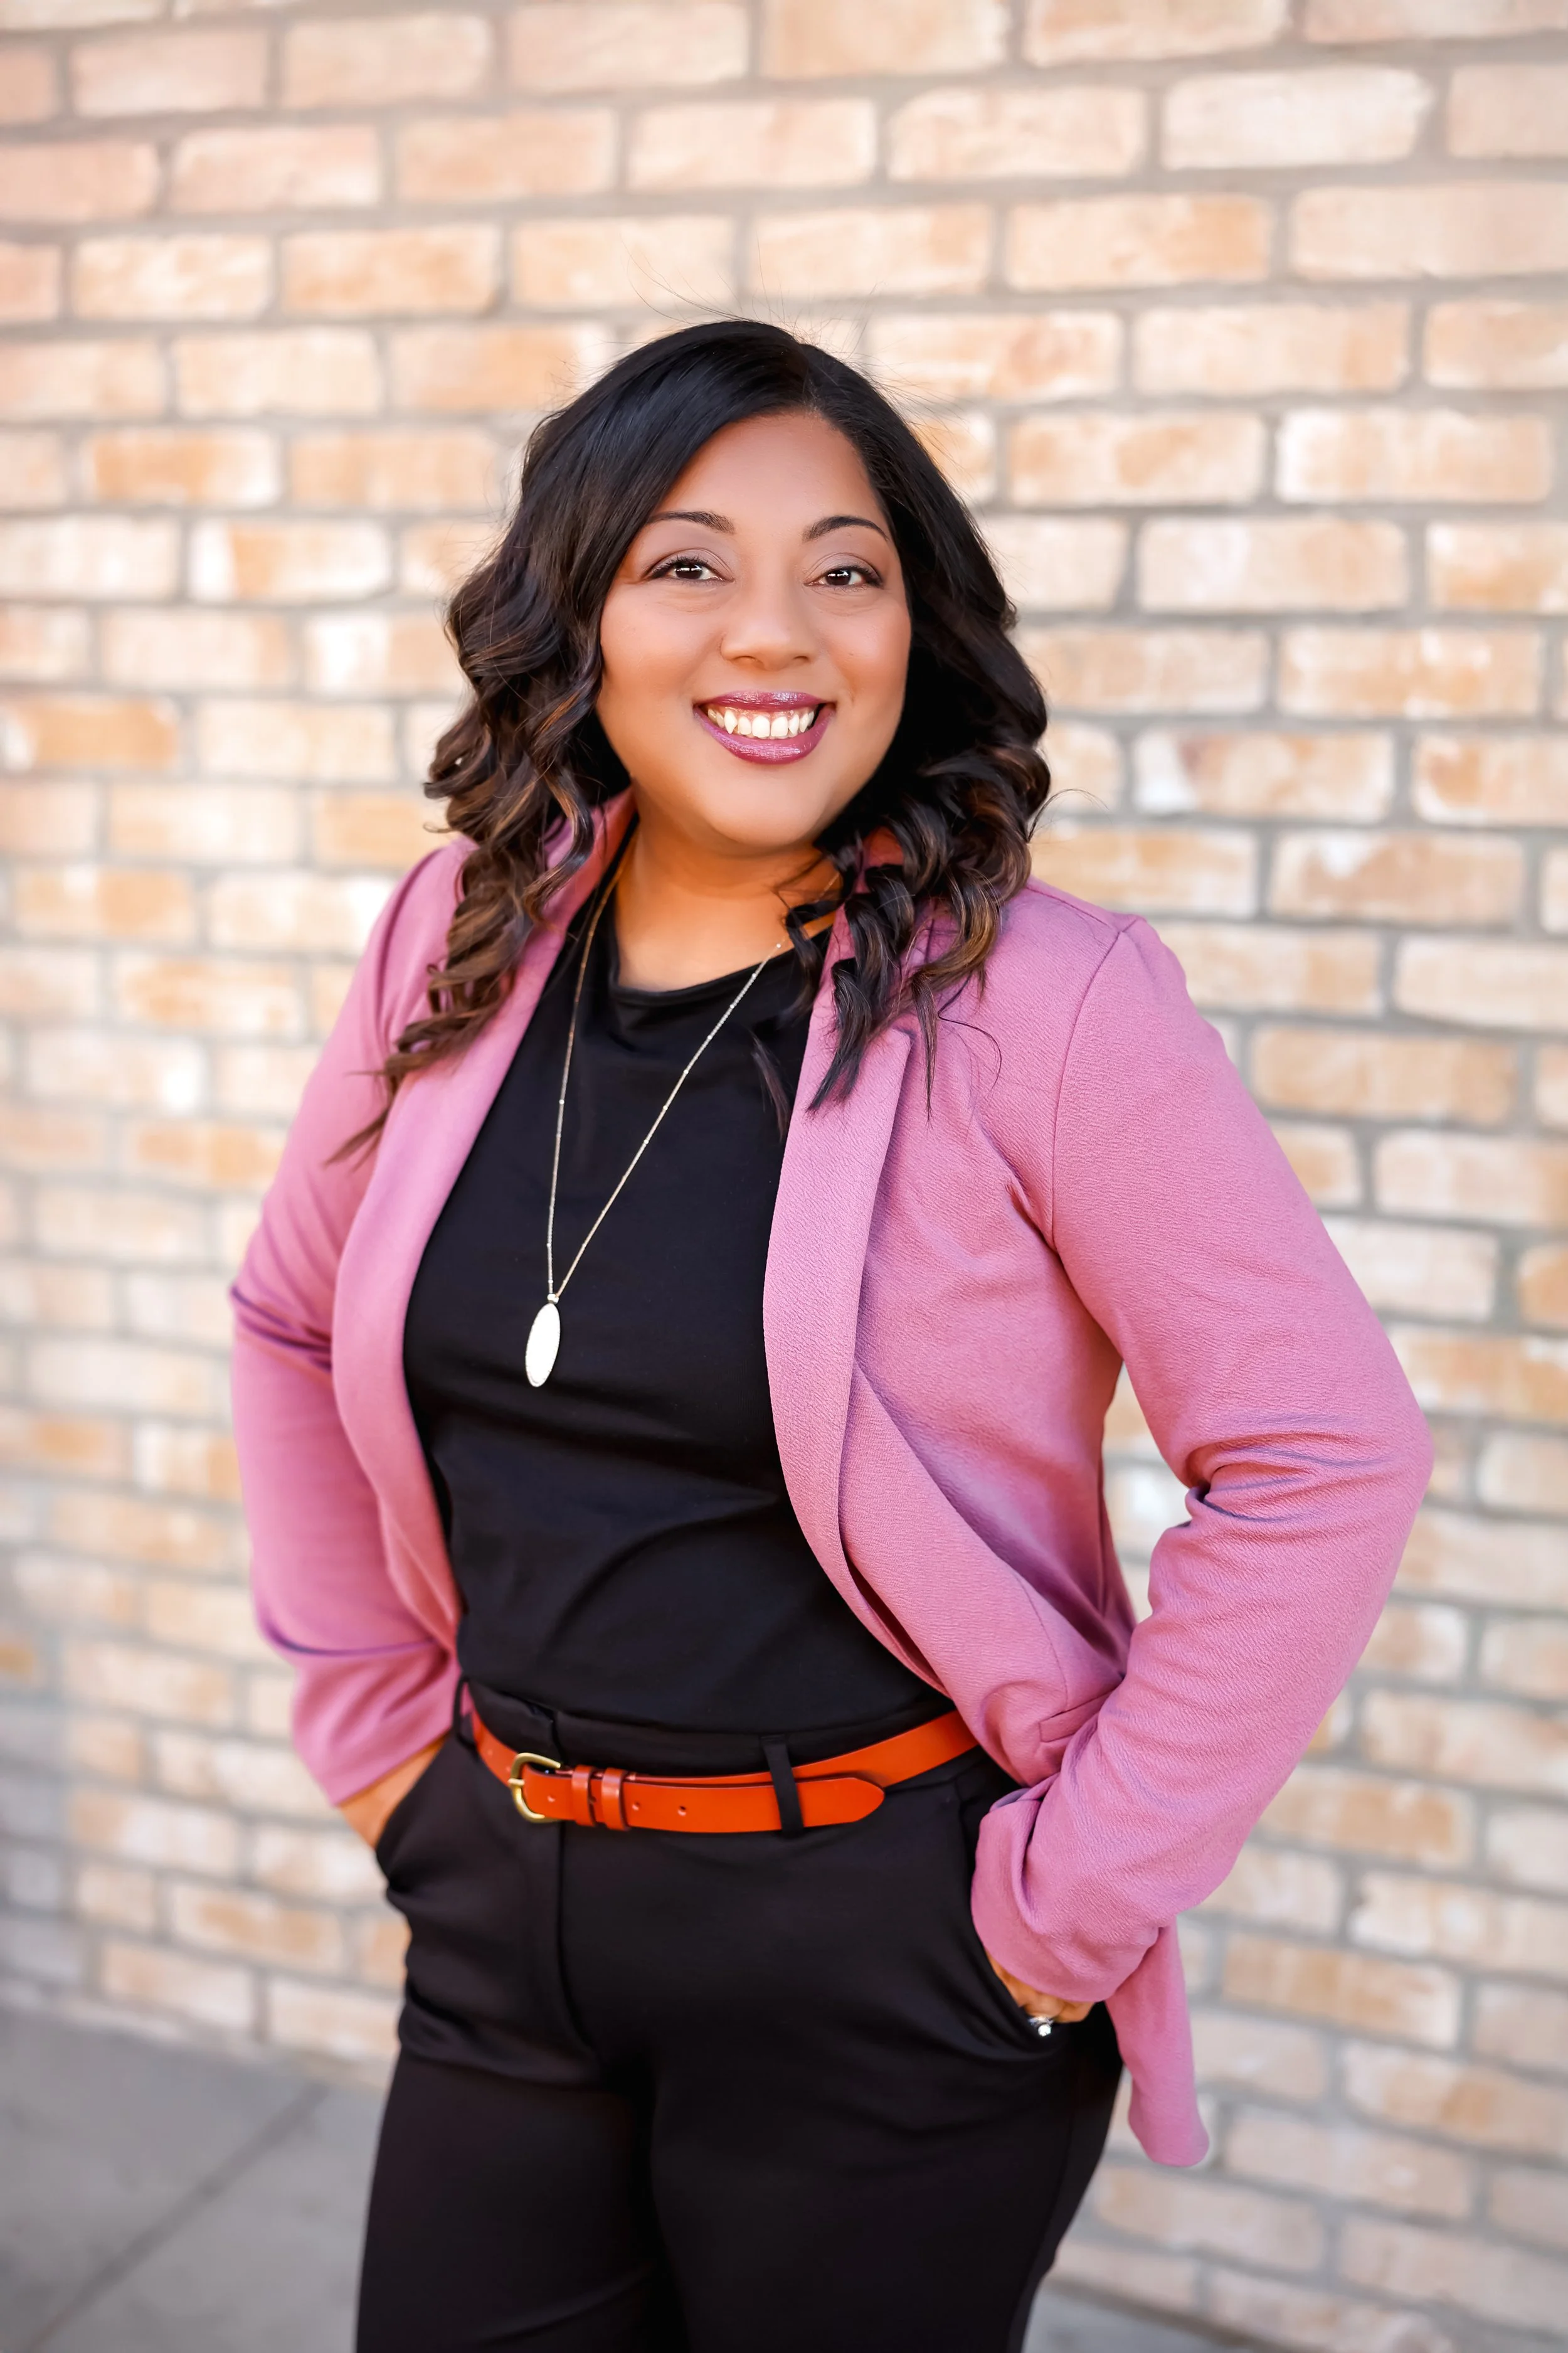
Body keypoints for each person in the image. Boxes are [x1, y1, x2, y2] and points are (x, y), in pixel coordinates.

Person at [231, 321, 1431, 2353]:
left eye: (844, 567)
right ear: (580, 613)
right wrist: (371, 1733)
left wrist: (1049, 1920)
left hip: (884, 1964)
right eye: (688, 562)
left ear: (913, 624)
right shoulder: (457, 933)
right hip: (500, 1906)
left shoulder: (1039, 1002)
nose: (770, 630)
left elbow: (1321, 1453)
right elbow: (285, 1316)